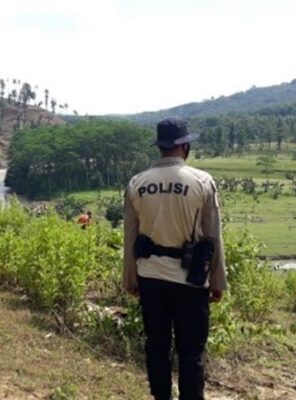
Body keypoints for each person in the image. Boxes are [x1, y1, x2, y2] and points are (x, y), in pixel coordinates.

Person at [123, 117, 227, 400]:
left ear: (160, 147)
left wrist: (130, 278)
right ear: (184, 146)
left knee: (156, 347)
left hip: (150, 277)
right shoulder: (202, 181)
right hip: (190, 280)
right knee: (191, 351)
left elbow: (130, 238)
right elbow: (213, 236)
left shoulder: (137, 183)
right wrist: (217, 281)